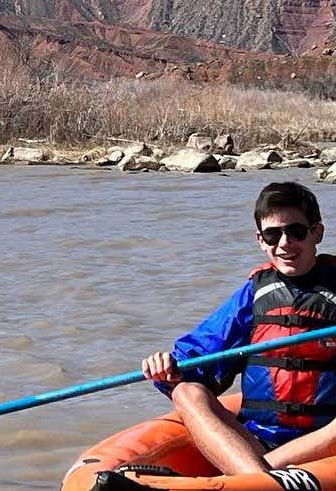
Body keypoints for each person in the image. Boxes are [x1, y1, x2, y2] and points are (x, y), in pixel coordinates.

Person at [142, 181, 336, 474]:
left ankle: (258, 477)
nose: (284, 244)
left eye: (295, 231)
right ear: (261, 240)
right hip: (256, 441)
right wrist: (169, 369)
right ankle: (260, 477)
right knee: (187, 392)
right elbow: (199, 359)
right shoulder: (253, 295)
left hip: (324, 445)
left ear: (316, 232)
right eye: (273, 235)